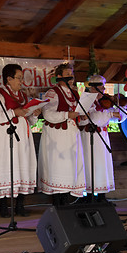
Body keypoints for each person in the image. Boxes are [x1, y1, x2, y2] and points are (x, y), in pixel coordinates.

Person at [0, 64, 40, 217]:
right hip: (5, 138)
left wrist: (34, 114)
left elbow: (29, 120)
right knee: (6, 166)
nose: (21, 81)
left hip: (22, 138)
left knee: (22, 165)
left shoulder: (22, 95)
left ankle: (20, 205)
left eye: (22, 78)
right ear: (8, 79)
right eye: (19, 78)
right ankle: (3, 206)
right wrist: (14, 112)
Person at [38, 62, 86, 205]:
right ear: (59, 77)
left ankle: (65, 200)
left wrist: (82, 116)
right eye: (67, 74)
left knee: (70, 167)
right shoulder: (52, 93)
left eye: (72, 74)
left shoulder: (75, 93)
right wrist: (67, 114)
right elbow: (48, 113)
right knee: (58, 166)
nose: (71, 77)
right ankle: (57, 202)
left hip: (71, 136)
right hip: (57, 136)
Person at [78, 75, 121, 202]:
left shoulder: (101, 102)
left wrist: (119, 110)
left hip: (102, 137)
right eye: (102, 86)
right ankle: (89, 196)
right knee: (92, 165)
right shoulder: (86, 100)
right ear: (94, 87)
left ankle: (102, 196)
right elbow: (95, 118)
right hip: (90, 137)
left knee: (102, 165)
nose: (104, 89)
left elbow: (109, 118)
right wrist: (111, 114)